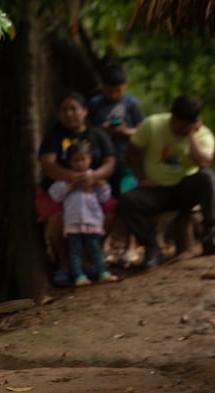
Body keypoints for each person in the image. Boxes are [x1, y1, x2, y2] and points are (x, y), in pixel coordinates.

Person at [118, 95, 215, 268]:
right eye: (177, 122)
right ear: (172, 116)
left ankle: (211, 234)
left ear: (194, 122)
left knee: (207, 177)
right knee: (126, 200)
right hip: (155, 190)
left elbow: (204, 163)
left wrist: (191, 134)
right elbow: (132, 152)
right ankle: (151, 246)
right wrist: (141, 178)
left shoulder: (203, 134)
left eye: (185, 125)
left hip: (184, 189)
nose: (179, 128)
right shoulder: (153, 125)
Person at [37, 91, 116, 286]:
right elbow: (47, 164)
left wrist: (93, 177)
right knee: (58, 220)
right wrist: (74, 178)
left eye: (74, 109)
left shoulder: (97, 134)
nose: (69, 114)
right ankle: (65, 265)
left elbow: (110, 161)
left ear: (85, 111)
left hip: (91, 191)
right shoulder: (54, 136)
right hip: (59, 192)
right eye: (64, 110)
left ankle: (89, 260)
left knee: (110, 211)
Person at [88, 64, 145, 266]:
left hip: (127, 161)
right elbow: (87, 129)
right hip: (101, 162)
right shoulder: (94, 104)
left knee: (129, 201)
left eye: (118, 90)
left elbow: (141, 130)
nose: (114, 94)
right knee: (104, 204)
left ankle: (131, 246)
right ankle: (104, 245)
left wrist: (124, 131)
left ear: (125, 86)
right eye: (110, 89)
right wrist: (102, 130)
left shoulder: (132, 104)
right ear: (102, 86)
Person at [48, 141, 118, 286]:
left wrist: (102, 184)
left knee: (95, 249)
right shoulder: (65, 181)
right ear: (69, 162)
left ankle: (102, 272)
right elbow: (55, 195)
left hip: (92, 222)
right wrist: (69, 186)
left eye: (83, 159)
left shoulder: (95, 178)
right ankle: (78, 276)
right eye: (76, 160)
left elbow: (104, 196)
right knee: (75, 251)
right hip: (73, 223)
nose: (80, 164)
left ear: (90, 159)